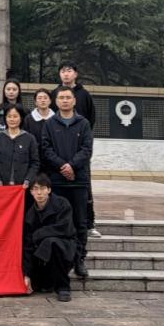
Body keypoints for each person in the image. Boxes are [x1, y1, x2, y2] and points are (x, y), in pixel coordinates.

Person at [41, 87, 93, 278]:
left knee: (80, 222)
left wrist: (72, 166)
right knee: (58, 221)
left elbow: (87, 149)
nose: (64, 100)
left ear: (74, 101)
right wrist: (62, 166)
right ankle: (61, 260)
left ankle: (79, 260)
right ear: (56, 101)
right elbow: (46, 149)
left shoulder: (83, 123)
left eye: (68, 97)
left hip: (78, 182)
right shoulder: (49, 124)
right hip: (57, 181)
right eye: (61, 97)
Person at [51, 62, 100, 238]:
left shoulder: (84, 95)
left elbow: (91, 120)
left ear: (75, 74)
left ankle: (89, 223)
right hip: (59, 153)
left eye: (69, 71)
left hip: (79, 154)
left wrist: (75, 162)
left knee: (85, 189)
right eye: (63, 71)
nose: (66, 74)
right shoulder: (54, 93)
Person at [23, 174, 77, 302]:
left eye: (42, 188)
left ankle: (63, 287)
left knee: (50, 242)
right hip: (41, 254)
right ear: (31, 192)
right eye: (35, 189)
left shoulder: (62, 204)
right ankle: (43, 280)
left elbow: (64, 228)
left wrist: (39, 234)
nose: (39, 193)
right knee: (38, 284)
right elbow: (28, 245)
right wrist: (26, 274)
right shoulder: (30, 215)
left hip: (65, 245)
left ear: (49, 190)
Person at [0, 105, 39, 189]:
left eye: (15, 116)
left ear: (21, 118)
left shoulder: (30, 138)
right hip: (1, 186)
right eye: (9, 116)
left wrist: (28, 180)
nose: (12, 119)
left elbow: (35, 163)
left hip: (23, 186)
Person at [22, 88, 56, 157]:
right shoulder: (28, 119)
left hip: (53, 156)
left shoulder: (56, 119)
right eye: (39, 98)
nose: (43, 100)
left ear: (50, 101)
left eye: (45, 98)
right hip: (34, 155)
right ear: (35, 102)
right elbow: (25, 139)